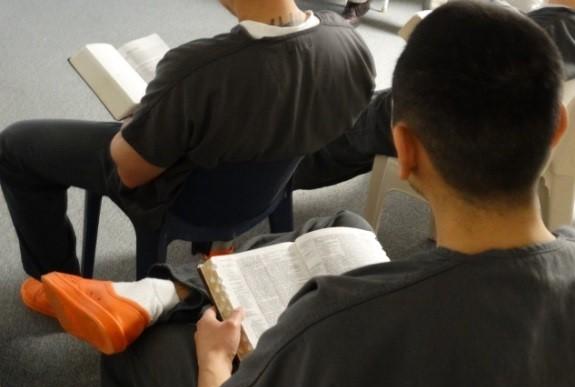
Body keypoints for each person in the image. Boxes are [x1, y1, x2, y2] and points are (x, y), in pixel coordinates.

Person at [25, 1, 575, 387]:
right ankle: (170, 290)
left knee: (140, 352)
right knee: (341, 226)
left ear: (404, 151)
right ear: (557, 130)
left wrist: (215, 363)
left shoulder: (340, 323)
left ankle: (158, 300)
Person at [0, 0, 375, 291]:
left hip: (180, 195)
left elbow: (129, 171)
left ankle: (58, 284)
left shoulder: (199, 67)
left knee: (15, 146)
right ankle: (218, 243)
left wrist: (139, 124)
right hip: (266, 189)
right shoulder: (350, 44)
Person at [294, 0, 575, 190]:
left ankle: (273, 173)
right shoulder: (553, 28)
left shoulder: (545, 31)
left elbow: (456, 83)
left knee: (343, 132)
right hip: (484, 126)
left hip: (443, 118)